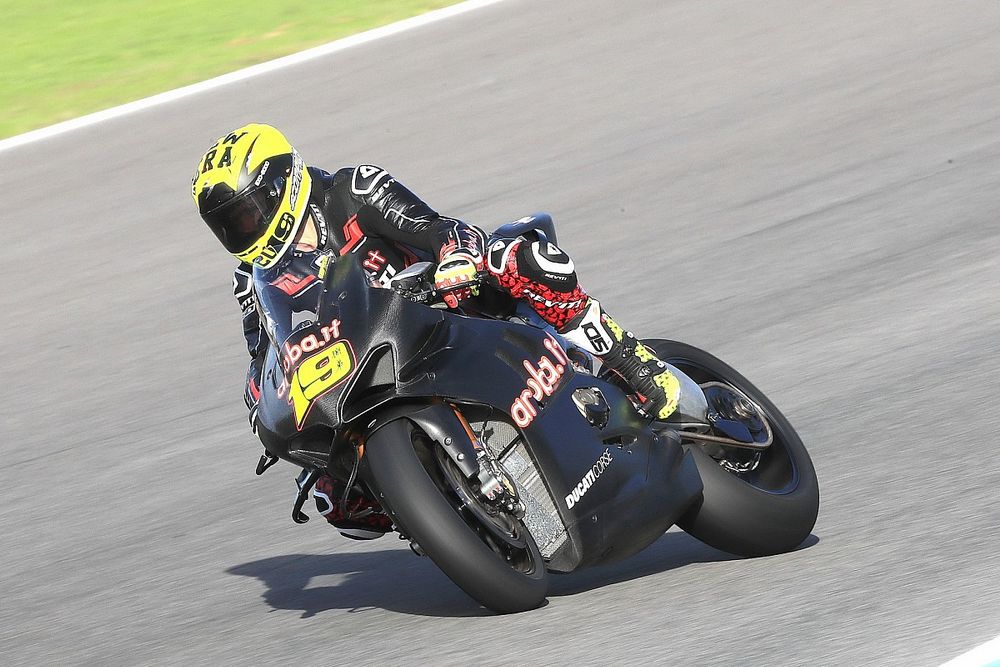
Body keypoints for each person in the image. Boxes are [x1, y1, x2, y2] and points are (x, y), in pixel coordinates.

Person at [192, 123, 680, 540]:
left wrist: (454, 258)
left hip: (441, 309)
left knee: (523, 259)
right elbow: (266, 351)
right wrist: (261, 400)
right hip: (362, 365)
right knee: (333, 499)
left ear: (284, 184)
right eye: (229, 224)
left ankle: (631, 360)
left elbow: (439, 229)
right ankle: (435, 509)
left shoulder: (351, 191)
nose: (244, 230)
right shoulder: (249, 278)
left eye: (247, 211)